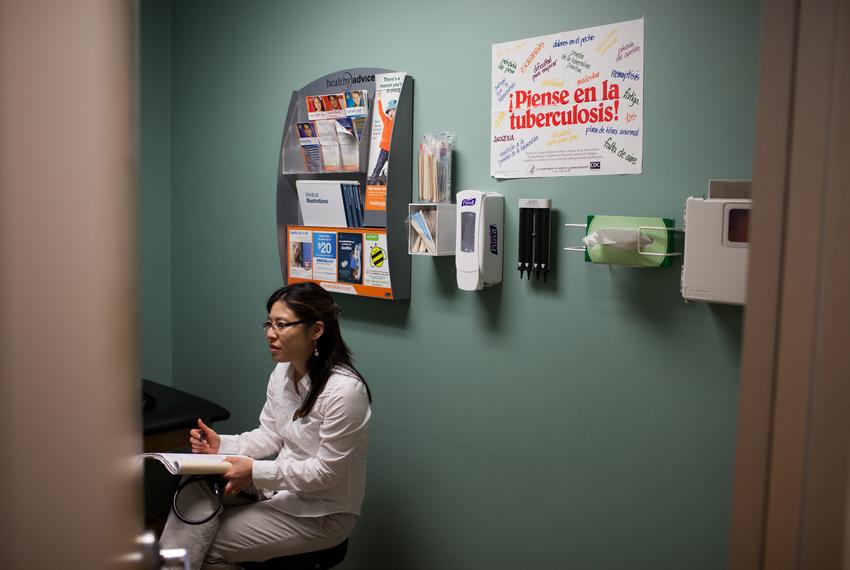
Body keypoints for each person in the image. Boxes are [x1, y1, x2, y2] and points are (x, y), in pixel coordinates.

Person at [159, 283, 372, 569]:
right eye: (269, 323)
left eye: (282, 325)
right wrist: (222, 445)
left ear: (316, 330)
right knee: (194, 488)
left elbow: (327, 474)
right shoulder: (284, 371)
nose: (270, 334)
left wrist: (255, 472)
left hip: (321, 514)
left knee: (204, 547)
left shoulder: (344, 392)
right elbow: (271, 434)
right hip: (280, 490)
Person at [367, 98, 396, 185]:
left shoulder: (397, 123)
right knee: (377, 168)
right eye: (389, 111)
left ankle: (391, 188)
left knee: (393, 171)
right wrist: (379, 99)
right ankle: (371, 185)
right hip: (383, 150)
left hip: (393, 151)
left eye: (393, 110)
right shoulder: (386, 120)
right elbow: (380, 111)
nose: (391, 112)